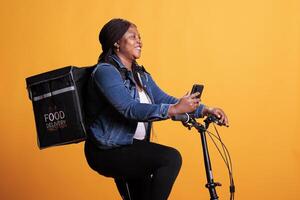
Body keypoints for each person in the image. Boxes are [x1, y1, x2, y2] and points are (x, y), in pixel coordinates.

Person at [84, 18, 228, 200]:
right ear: (116, 42)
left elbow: (164, 99)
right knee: (170, 159)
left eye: (140, 37)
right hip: (108, 150)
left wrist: (205, 110)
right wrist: (174, 109)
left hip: (133, 148)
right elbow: (129, 109)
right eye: (133, 37)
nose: (139, 41)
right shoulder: (105, 72)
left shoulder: (140, 74)